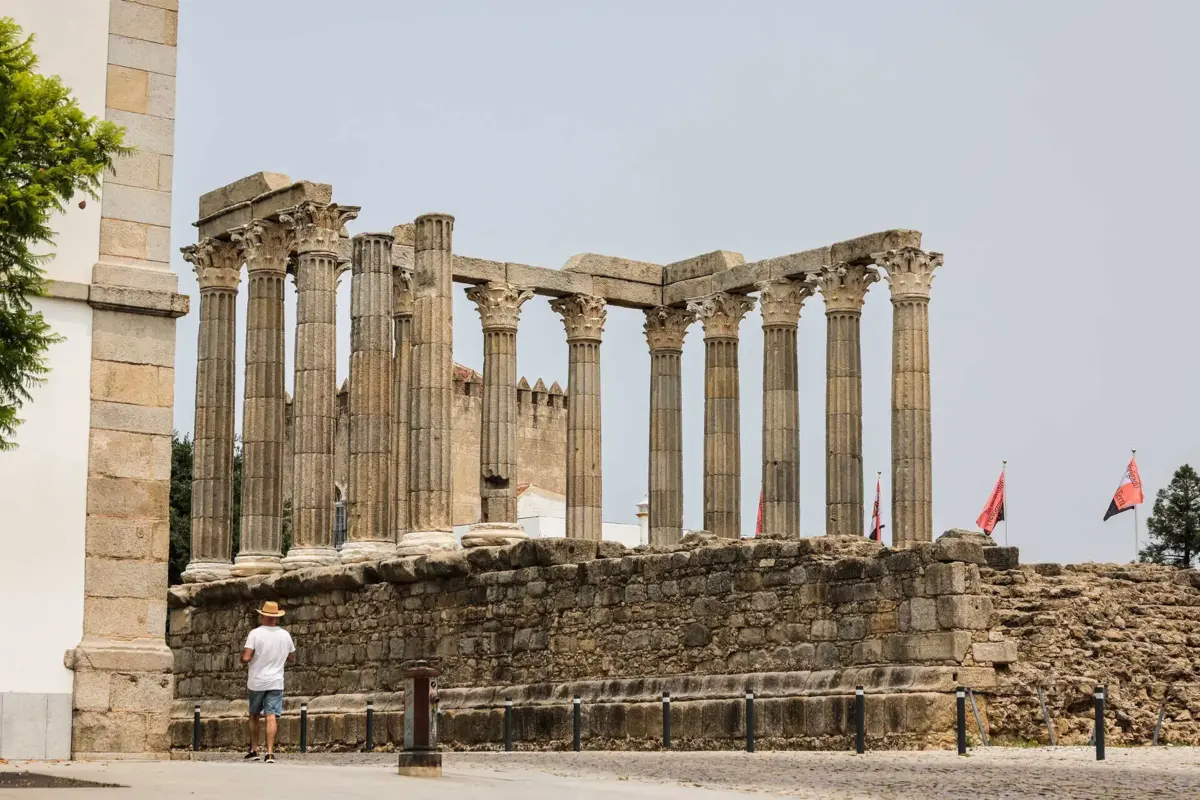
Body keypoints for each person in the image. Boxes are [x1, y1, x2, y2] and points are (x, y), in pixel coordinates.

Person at [242, 600, 295, 763]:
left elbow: (246, 657)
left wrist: (245, 658)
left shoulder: (255, 634)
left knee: (254, 715)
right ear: (276, 617)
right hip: (276, 681)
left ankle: (254, 749)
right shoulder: (285, 635)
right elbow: (292, 657)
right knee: (271, 716)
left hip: (257, 681)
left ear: (263, 615)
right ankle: (270, 753)